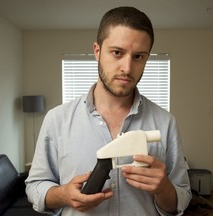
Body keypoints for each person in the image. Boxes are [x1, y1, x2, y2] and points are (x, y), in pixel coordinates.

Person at [25, 6, 191, 216]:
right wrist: (64, 195)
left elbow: (181, 198)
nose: (127, 68)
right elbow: (35, 186)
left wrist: (164, 188)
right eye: (117, 53)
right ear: (97, 51)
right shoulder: (56, 120)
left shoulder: (166, 123)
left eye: (138, 56)